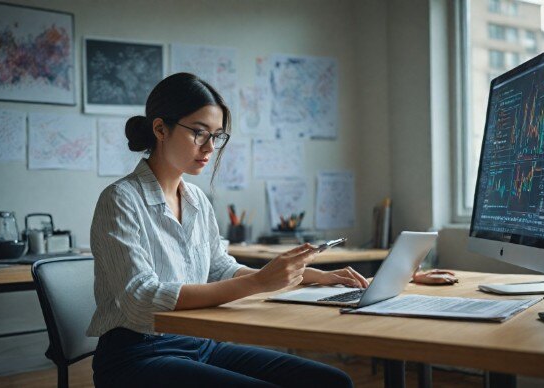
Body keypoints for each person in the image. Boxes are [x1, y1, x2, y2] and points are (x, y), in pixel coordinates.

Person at [87, 72, 369, 388]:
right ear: (160, 129)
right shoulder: (120, 199)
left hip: (201, 342)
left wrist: (307, 276)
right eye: (198, 132)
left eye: (217, 136)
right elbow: (141, 298)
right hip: (137, 355)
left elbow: (220, 269)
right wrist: (260, 282)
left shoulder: (195, 199)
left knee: (331, 381)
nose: (210, 147)